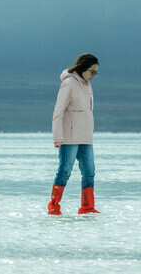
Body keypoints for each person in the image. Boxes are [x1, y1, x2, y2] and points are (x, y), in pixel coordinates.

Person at [48, 53, 101, 215]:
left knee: (89, 172)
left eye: (96, 73)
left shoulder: (87, 85)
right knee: (64, 172)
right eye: (92, 72)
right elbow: (58, 112)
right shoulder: (69, 84)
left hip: (86, 137)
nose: (93, 76)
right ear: (83, 68)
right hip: (69, 137)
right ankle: (54, 206)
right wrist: (57, 137)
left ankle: (87, 207)